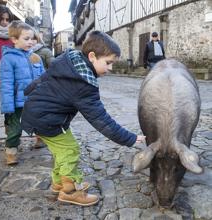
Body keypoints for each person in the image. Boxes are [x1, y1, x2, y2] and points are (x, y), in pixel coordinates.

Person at [21, 30, 146, 206]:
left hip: (36, 114)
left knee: (61, 152)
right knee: (70, 150)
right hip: (47, 120)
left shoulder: (68, 63)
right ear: (92, 56)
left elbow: (43, 79)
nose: (110, 68)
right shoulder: (83, 85)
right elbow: (101, 120)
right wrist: (130, 138)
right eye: (108, 63)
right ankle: (70, 191)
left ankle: (59, 183)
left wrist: (28, 91)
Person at [0, 21, 45, 165]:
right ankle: (11, 151)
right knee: (15, 128)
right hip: (17, 102)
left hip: (35, 100)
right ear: (14, 39)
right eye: (26, 39)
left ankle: (40, 139)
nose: (31, 42)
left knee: (40, 122)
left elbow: (43, 78)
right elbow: (6, 84)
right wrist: (8, 106)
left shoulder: (36, 57)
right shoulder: (8, 58)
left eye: (32, 38)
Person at [0, 4, 13, 148]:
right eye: (1, 19)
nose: (4, 22)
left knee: (9, 106)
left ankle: (10, 133)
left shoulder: (13, 36)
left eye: (7, 19)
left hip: (8, 77)